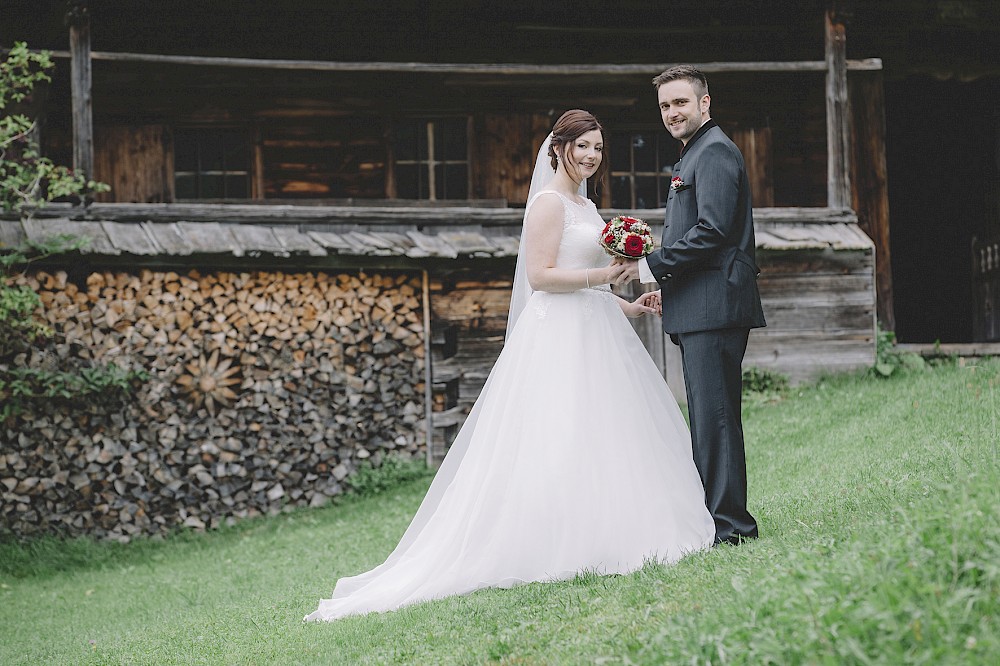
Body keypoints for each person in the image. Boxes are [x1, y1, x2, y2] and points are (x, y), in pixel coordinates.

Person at [304, 109, 714, 622]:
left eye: (598, 148)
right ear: (558, 148)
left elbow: (586, 279)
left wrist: (626, 302)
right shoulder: (548, 204)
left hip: (595, 327)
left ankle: (606, 528)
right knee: (556, 433)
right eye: (582, 146)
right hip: (557, 337)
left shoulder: (586, 205)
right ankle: (548, 540)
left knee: (602, 431)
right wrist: (603, 275)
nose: (591, 156)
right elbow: (542, 277)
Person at [616, 66, 767, 545]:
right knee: (708, 416)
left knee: (716, 417)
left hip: (716, 305)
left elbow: (714, 230)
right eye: (664, 106)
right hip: (699, 301)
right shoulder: (692, 154)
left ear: (705, 103)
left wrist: (651, 264)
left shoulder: (716, 150)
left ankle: (731, 528)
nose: (671, 113)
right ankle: (714, 521)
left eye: (680, 102)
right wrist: (671, 287)